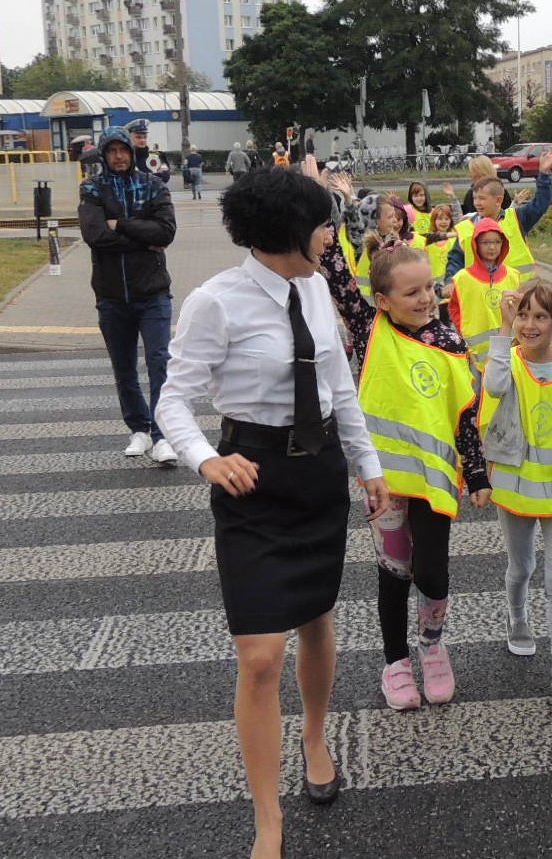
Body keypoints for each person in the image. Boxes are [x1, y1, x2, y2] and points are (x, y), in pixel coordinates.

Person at [154, 167, 393, 859]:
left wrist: (368, 467)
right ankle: (268, 818)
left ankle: (315, 737)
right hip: (250, 480)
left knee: (317, 618)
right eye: (324, 223)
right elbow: (173, 398)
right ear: (292, 230)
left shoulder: (317, 287)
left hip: (316, 474)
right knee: (259, 656)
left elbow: (339, 387)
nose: (332, 234)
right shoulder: (215, 301)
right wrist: (205, 457)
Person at [326, 238, 491, 711]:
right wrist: (326, 206)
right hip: (386, 484)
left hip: (434, 482)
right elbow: (337, 276)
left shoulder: (450, 340)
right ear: (382, 301)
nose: (425, 299)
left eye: (430, 288)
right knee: (394, 574)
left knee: (433, 573)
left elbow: (464, 412)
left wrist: (476, 473)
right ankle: (396, 661)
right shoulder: (370, 327)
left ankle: (432, 644)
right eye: (411, 292)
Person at [481, 280, 552, 712]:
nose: (530, 324)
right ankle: (517, 617)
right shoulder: (509, 361)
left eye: (540, 316)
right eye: (523, 315)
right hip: (516, 487)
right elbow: (493, 387)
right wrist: (502, 332)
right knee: (521, 565)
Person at [77, 126, 179, 465]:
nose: (119, 156)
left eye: (123, 150)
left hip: (153, 293)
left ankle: (163, 434)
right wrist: (141, 236)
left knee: (159, 362)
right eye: (112, 151)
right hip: (111, 295)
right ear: (104, 155)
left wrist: (119, 224)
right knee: (123, 368)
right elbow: (93, 235)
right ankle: (139, 428)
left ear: (132, 153)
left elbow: (165, 231)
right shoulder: (92, 188)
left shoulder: (153, 185)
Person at [444, 148, 552, 280]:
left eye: (482, 198)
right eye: (475, 198)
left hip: (517, 294)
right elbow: (455, 261)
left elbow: (540, 203)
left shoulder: (516, 218)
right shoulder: (466, 227)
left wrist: (543, 174)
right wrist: (449, 282)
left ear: (498, 200)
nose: (477, 203)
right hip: (482, 296)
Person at [447, 217, 521, 370]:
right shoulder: (462, 278)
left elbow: (520, 310)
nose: (492, 247)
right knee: (477, 391)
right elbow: (455, 308)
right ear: (476, 244)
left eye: (496, 242)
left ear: (503, 243)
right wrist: (464, 330)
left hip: (508, 347)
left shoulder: (513, 275)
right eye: (486, 242)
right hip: (475, 353)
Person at [418, 203, 459, 280]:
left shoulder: (454, 237)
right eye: (440, 219)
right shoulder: (427, 240)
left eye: (447, 219)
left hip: (451, 279)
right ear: (434, 220)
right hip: (434, 281)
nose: (443, 222)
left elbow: (459, 216)